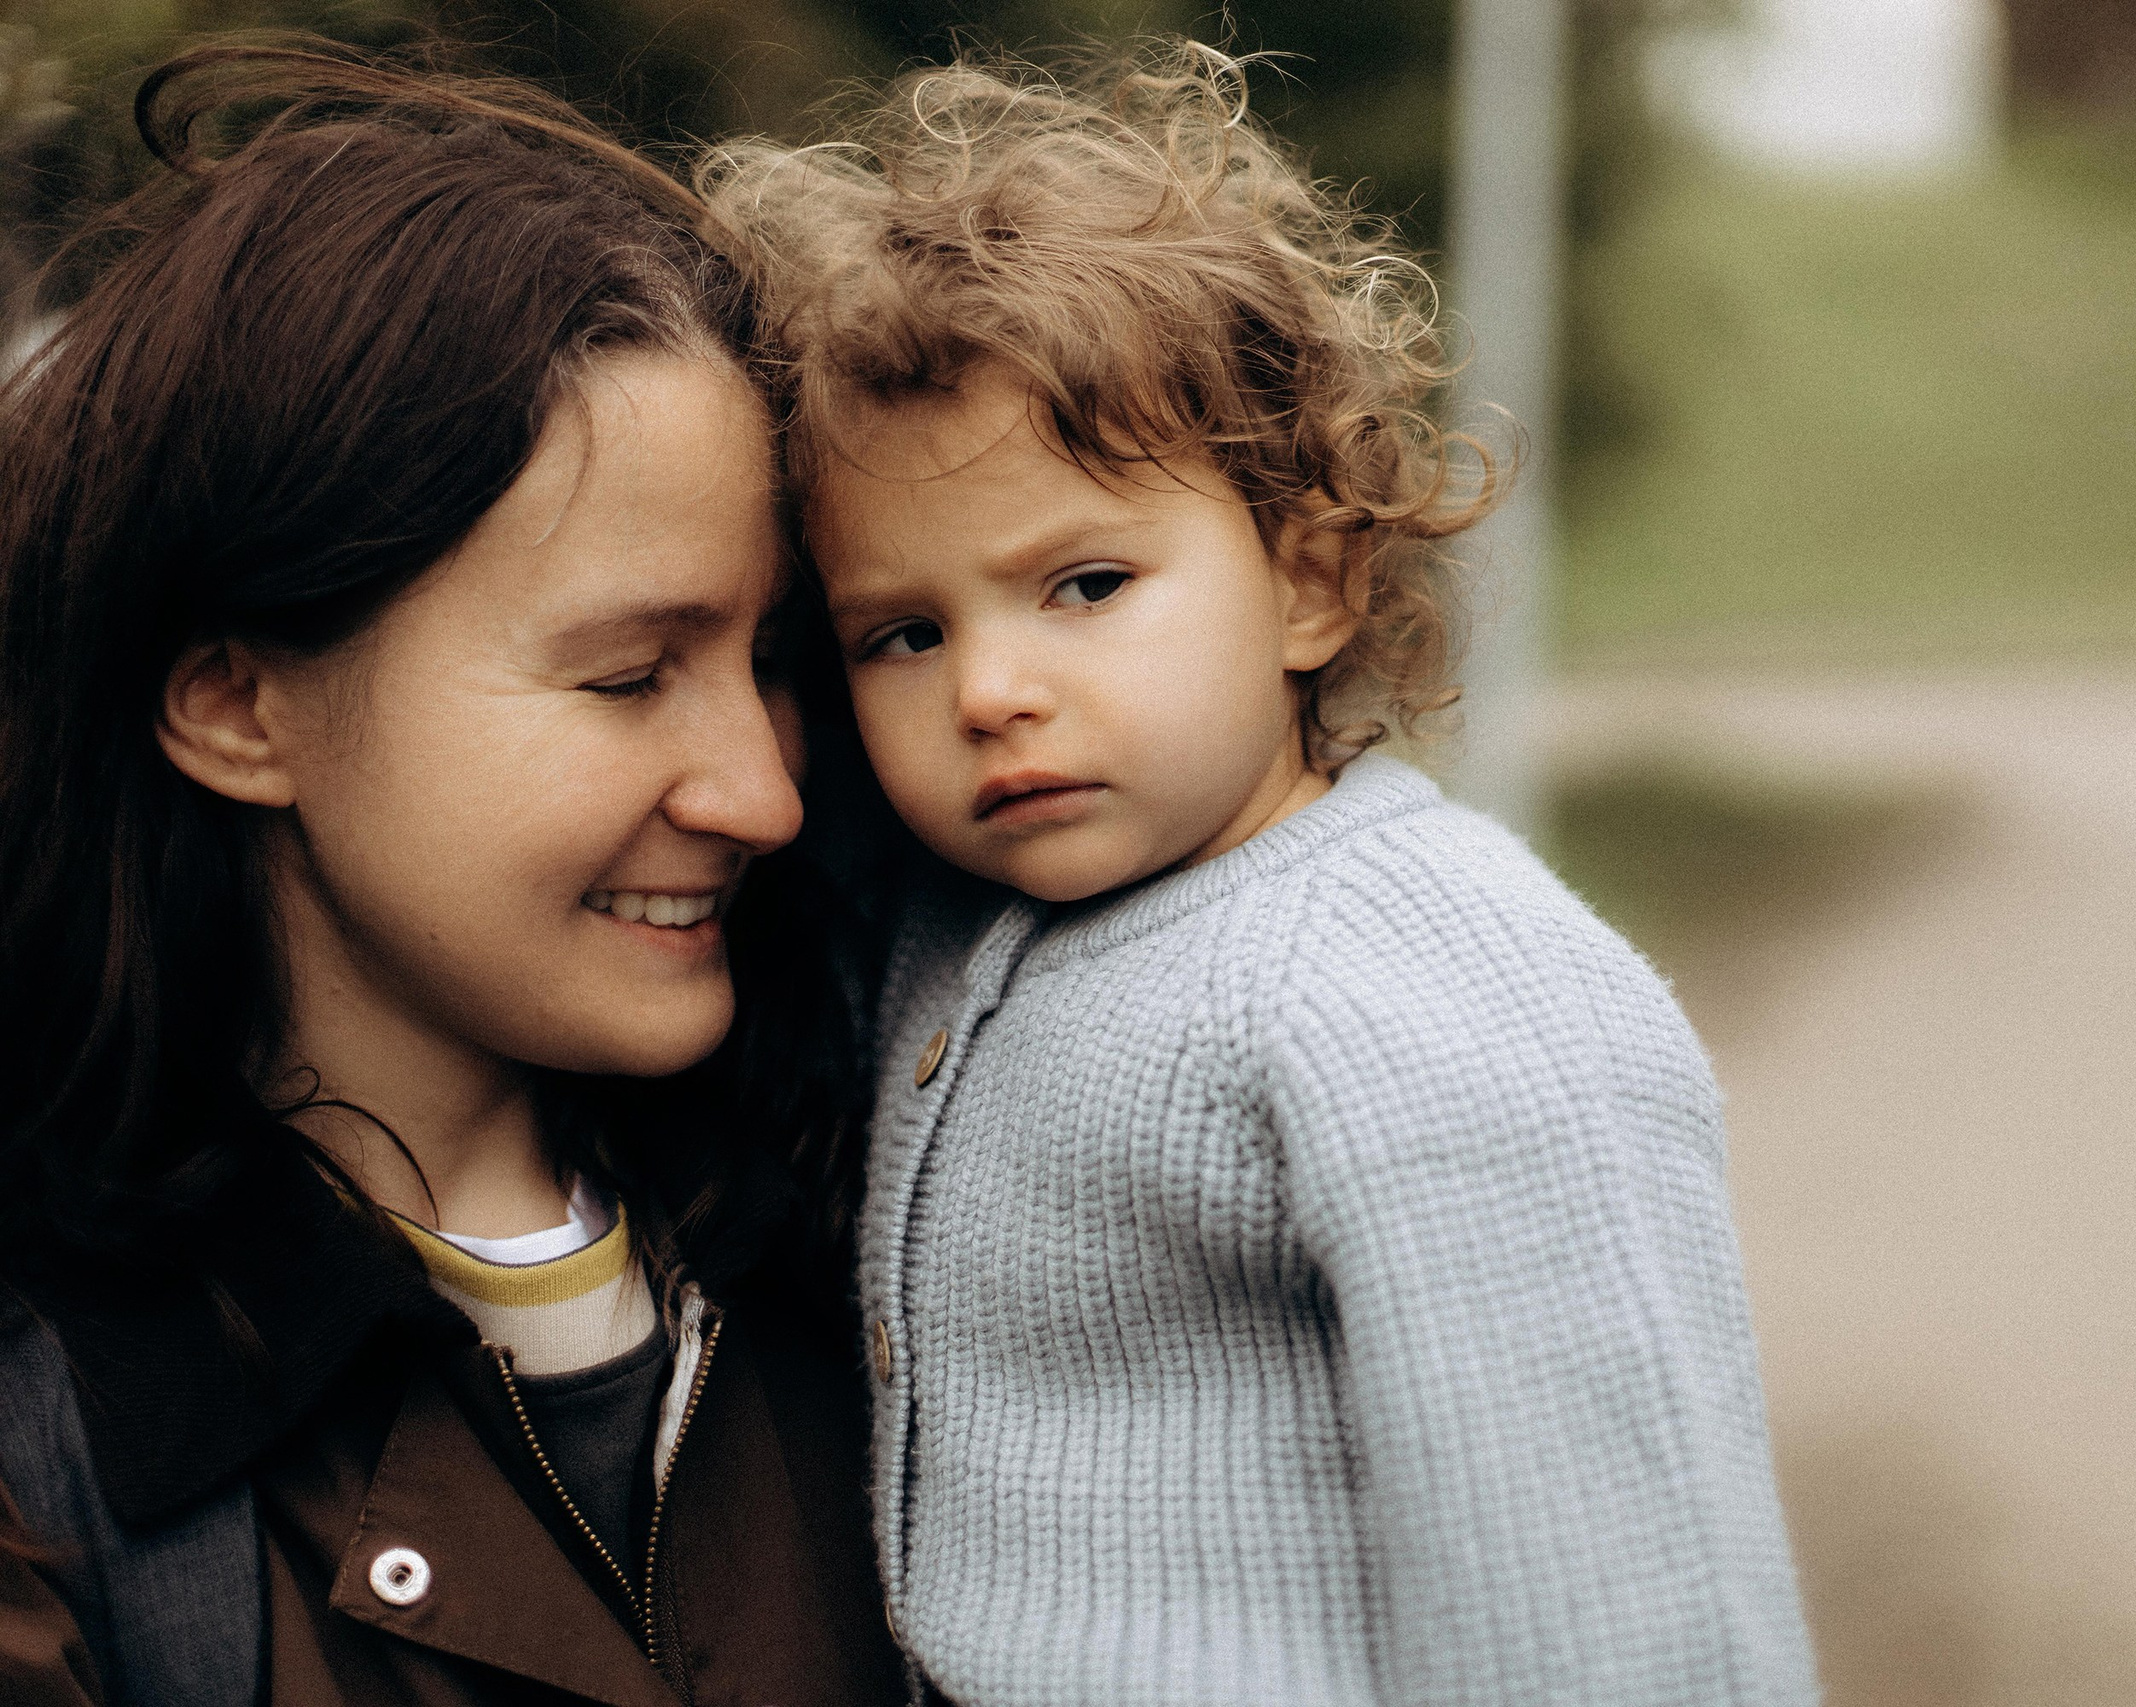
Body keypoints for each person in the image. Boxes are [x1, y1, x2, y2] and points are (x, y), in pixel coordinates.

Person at [711, 45, 1820, 1707]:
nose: (988, 688)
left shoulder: (1440, 987)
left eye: (1083, 583)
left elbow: (1622, 1593)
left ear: (1309, 582)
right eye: (905, 632)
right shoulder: (949, 924)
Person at [0, 45, 906, 1706]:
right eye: (631, 676)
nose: (765, 792)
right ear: (234, 703)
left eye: (770, 656)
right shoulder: (50, 1461)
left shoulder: (908, 1249)